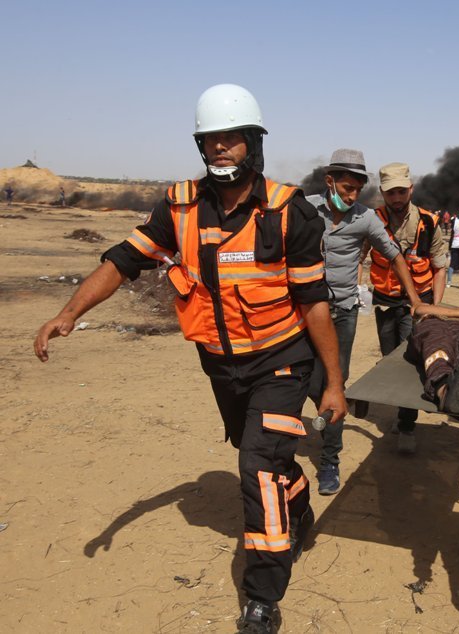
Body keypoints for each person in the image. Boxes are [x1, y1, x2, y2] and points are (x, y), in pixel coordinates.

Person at [33, 84, 348, 634]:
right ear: (201, 146)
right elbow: (124, 260)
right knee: (266, 459)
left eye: (232, 138)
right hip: (222, 365)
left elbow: (315, 303)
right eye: (211, 139)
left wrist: (334, 384)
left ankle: (262, 597)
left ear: (253, 142)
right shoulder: (178, 207)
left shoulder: (287, 211)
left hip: (282, 361)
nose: (221, 147)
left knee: (257, 468)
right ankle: (296, 504)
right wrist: (69, 313)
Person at [306, 148, 423, 495]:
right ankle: (330, 407)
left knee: (334, 383)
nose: (352, 196)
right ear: (329, 181)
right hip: (305, 311)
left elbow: (395, 256)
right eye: (347, 188)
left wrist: (416, 300)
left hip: (342, 313)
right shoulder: (304, 209)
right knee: (306, 382)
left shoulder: (366, 218)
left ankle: (330, 459)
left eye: (358, 189)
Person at [367, 162, 448, 453]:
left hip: (418, 304)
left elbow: (439, 267)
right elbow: (358, 254)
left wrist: (434, 308)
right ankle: (402, 411)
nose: (397, 198)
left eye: (402, 191)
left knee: (411, 363)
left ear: (411, 189)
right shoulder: (372, 220)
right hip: (385, 302)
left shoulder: (428, 221)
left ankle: (406, 424)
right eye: (391, 193)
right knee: (389, 358)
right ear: (382, 193)